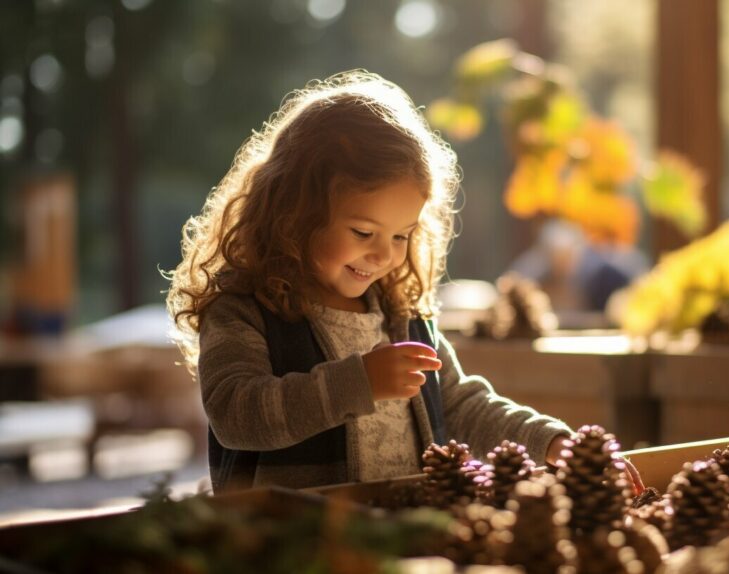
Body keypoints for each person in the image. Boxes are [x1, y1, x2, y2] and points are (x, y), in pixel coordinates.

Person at [165, 71, 641, 494]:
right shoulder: (244, 307)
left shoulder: (399, 312)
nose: (384, 254)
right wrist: (360, 381)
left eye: (401, 235)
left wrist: (554, 441)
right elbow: (237, 414)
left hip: (402, 539)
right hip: (293, 547)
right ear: (292, 213)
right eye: (362, 232)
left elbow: (462, 404)